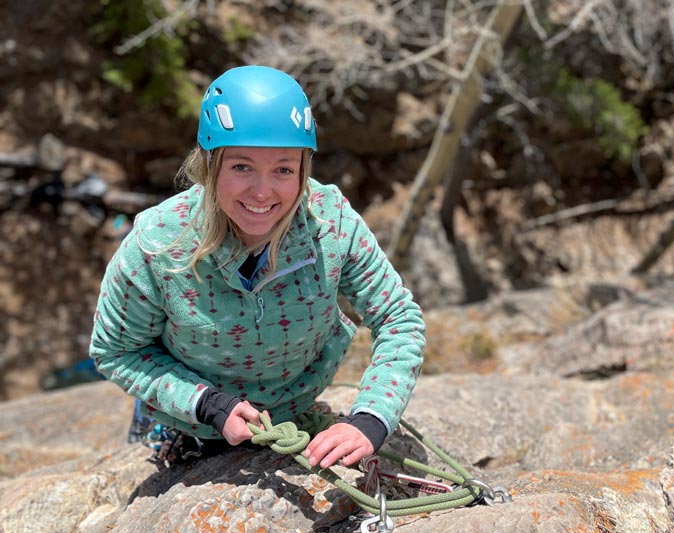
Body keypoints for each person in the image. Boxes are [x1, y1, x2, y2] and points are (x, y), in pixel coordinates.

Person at [89, 65, 426, 470]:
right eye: (242, 167)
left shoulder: (331, 224)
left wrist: (371, 418)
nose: (263, 192)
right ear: (210, 166)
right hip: (186, 424)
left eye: (283, 169)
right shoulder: (158, 243)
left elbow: (398, 318)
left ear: (303, 170)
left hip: (293, 414)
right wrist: (205, 404)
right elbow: (116, 350)